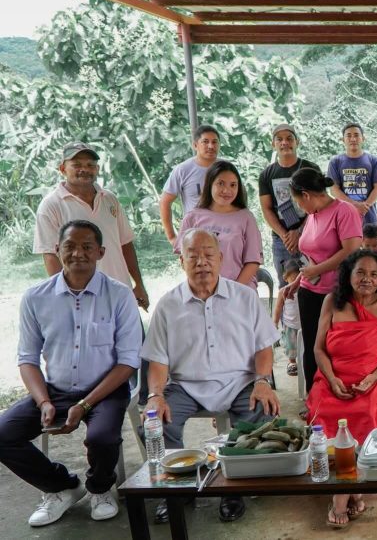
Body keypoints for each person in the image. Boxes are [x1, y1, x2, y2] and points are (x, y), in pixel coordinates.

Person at [1, 220, 142, 527]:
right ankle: (62, 487)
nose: (78, 253)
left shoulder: (119, 295)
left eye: (87, 246)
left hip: (106, 388)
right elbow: (27, 358)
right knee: (3, 434)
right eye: (70, 246)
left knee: (102, 438)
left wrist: (85, 405)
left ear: (101, 252)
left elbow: (128, 361)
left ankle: (101, 488)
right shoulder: (36, 297)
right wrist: (43, 402)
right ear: (57, 250)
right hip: (55, 389)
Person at [143, 228, 280, 523]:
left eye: (208, 255)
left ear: (220, 258)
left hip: (240, 381)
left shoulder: (244, 297)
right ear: (182, 261)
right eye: (193, 255)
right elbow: (157, 361)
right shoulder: (168, 305)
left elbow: (263, 349)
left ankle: (234, 488)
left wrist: (262, 381)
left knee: (263, 411)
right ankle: (179, 488)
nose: (202, 262)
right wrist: (155, 395)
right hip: (186, 386)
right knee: (154, 423)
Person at [305, 249, 377, 527]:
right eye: (360, 272)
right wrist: (332, 379)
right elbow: (319, 349)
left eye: (374, 274)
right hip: (334, 381)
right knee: (325, 421)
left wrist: (372, 378)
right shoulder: (330, 303)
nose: (367, 279)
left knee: (369, 415)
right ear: (348, 275)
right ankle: (353, 491)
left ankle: (340, 495)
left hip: (372, 382)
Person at [34, 142, 149, 309]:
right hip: (83, 298)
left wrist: (138, 284)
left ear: (97, 169)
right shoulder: (51, 206)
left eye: (90, 165)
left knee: (133, 335)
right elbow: (51, 255)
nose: (84, 169)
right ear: (62, 169)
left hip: (121, 292)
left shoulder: (109, 199)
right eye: (77, 165)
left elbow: (125, 244)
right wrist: (68, 297)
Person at [282, 168, 363, 393]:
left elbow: (351, 251)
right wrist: (298, 280)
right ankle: (314, 399)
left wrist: (317, 269)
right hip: (309, 291)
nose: (299, 207)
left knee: (337, 347)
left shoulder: (344, 211)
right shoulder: (312, 215)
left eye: (298, 201)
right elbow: (311, 258)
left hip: (338, 292)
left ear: (306, 195)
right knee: (312, 346)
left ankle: (342, 394)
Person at [175, 160, 263, 289]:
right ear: (209, 184)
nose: (226, 190)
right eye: (220, 183)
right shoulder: (192, 218)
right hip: (203, 293)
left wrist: (232, 291)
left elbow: (253, 261)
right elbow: (185, 259)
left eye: (233, 185)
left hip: (240, 292)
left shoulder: (246, 218)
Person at [258, 123, 318, 287]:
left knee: (315, 284)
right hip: (281, 240)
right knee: (286, 286)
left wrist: (299, 231)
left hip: (312, 236)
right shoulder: (266, 175)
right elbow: (267, 208)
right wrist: (285, 235)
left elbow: (320, 205)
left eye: (289, 139)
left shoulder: (311, 168)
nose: (285, 143)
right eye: (280, 139)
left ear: (297, 142)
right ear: (273, 144)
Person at [160, 124, 220, 246]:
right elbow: (165, 202)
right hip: (194, 238)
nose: (211, 146)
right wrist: (172, 237)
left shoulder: (227, 168)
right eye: (205, 142)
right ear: (195, 145)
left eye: (215, 142)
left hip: (225, 234)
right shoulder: (183, 170)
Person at [327, 123, 377, 227]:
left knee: (369, 243)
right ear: (343, 140)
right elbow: (334, 190)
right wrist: (355, 205)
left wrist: (364, 207)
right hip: (344, 216)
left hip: (369, 217)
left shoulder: (374, 161)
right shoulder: (335, 162)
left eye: (356, 135)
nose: (353, 139)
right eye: (348, 136)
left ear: (363, 138)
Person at [273, 259, 303, 377]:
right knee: (291, 346)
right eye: (293, 279)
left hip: (304, 324)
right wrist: (274, 322)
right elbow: (278, 308)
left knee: (304, 345)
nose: (295, 282)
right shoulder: (283, 292)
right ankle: (292, 363)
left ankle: (304, 360)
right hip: (290, 325)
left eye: (298, 279)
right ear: (285, 278)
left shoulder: (305, 290)